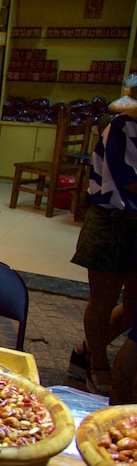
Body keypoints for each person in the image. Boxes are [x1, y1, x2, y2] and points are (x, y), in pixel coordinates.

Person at [70, 76, 137, 395]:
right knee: (103, 298)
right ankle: (98, 361)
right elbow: (128, 181)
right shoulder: (122, 127)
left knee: (134, 306)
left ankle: (86, 349)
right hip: (111, 222)